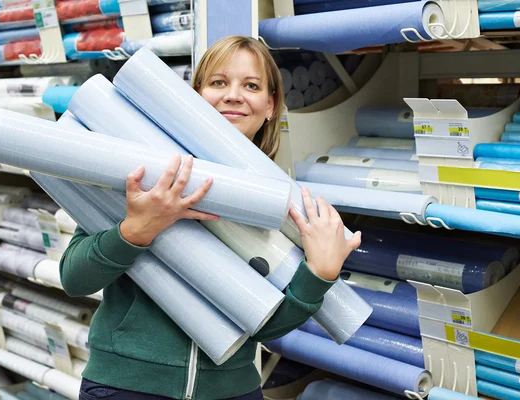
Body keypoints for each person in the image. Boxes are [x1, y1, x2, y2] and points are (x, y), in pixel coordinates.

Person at [61, 36, 362, 400]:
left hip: (232, 391)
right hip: (128, 386)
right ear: (196, 96)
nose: (233, 95)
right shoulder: (142, 173)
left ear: (270, 106)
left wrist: (319, 275)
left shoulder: (280, 204)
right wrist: (136, 230)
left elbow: (265, 325)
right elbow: (74, 277)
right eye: (218, 83)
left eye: (250, 86)